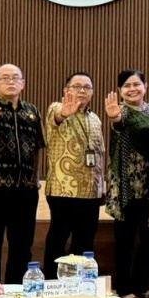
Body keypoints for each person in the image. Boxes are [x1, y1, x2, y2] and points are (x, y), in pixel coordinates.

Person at [0, 64, 44, 283]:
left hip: (25, 191)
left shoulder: (32, 111)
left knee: (22, 247)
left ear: (23, 83)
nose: (10, 81)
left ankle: (16, 291)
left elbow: (38, 147)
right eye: (4, 78)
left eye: (15, 77)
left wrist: (35, 182)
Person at [43, 72, 105, 278]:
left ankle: (80, 284)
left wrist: (101, 186)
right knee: (58, 239)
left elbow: (99, 154)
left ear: (92, 92)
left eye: (87, 87)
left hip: (90, 192)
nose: (82, 91)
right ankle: (52, 282)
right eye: (77, 86)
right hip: (63, 189)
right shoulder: (56, 108)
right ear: (66, 90)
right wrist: (64, 113)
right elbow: (57, 117)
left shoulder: (95, 119)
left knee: (85, 241)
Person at [104, 69, 149, 298]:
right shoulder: (119, 111)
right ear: (120, 90)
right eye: (127, 85)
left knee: (148, 239)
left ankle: (141, 286)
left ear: (145, 87)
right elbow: (118, 125)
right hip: (125, 185)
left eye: (137, 84)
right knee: (125, 240)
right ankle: (124, 288)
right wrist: (115, 119)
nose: (132, 89)